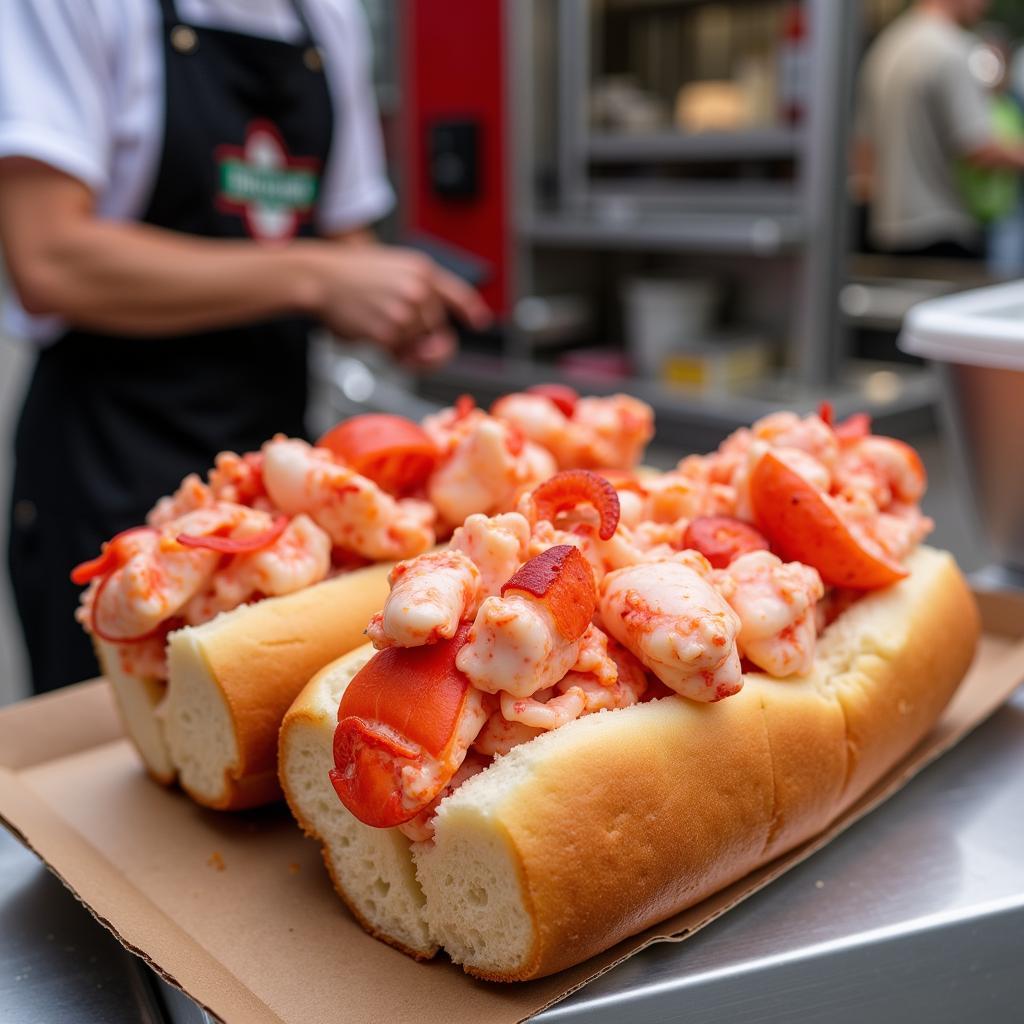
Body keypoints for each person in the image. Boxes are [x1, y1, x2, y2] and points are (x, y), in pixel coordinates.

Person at [0, 0, 491, 694]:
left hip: (280, 475)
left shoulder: (328, 16)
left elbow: (342, 236)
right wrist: (315, 277)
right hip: (110, 461)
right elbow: (48, 257)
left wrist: (390, 301)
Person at [854, 0, 1024, 259]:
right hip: (943, 232)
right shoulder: (951, 49)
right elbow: (979, 148)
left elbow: (864, 150)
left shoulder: (887, 46)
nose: (985, 5)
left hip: (886, 231)